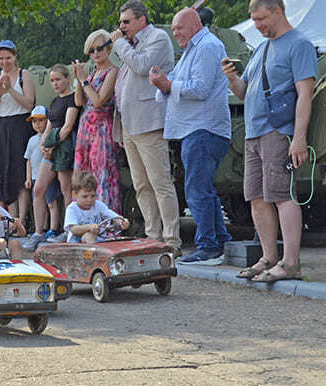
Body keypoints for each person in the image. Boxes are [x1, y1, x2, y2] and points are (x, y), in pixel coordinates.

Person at [223, 0, 315, 282]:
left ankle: (290, 263)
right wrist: (231, 78)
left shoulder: (299, 45)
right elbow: (244, 91)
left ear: (278, 11)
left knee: (282, 196)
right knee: (256, 198)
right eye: (255, 20)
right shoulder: (261, 47)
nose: (259, 25)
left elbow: (305, 94)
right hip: (253, 133)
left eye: (262, 19)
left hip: (279, 132)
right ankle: (268, 257)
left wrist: (298, 138)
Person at [150, 8, 232, 265]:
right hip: (193, 129)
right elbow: (171, 83)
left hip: (203, 129)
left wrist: (167, 85)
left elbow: (200, 88)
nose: (175, 34)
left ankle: (208, 247)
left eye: (179, 29)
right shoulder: (191, 51)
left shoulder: (207, 47)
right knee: (202, 188)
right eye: (173, 30)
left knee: (197, 190)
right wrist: (163, 83)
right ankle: (220, 241)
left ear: (195, 24)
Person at [111, 0, 181, 251]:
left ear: (142, 19)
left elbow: (142, 66)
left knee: (160, 182)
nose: (121, 27)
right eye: (120, 22)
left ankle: (172, 239)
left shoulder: (158, 38)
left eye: (126, 22)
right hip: (130, 124)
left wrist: (119, 43)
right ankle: (153, 236)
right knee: (141, 184)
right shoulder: (130, 44)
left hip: (149, 122)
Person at [0, 40, 36, 216]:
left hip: (20, 124)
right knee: (3, 171)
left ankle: (22, 218)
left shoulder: (24, 75)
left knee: (19, 172)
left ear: (14, 57)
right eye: (1, 58)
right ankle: (11, 219)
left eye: (8, 58)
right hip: (2, 126)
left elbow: (29, 104)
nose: (4, 62)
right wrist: (0, 93)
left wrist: (11, 91)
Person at [73, 30, 121, 214]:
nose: (95, 53)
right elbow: (79, 102)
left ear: (108, 47)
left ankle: (106, 221)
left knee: (102, 173)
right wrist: (79, 80)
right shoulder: (92, 73)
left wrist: (84, 81)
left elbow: (99, 100)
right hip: (86, 126)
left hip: (102, 126)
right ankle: (83, 218)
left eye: (99, 48)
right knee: (83, 173)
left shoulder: (112, 71)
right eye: (91, 50)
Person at [38, 64, 80, 244]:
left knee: (66, 191)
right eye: (52, 81)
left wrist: (52, 146)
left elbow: (68, 126)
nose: (55, 84)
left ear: (67, 78)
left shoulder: (72, 99)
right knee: (39, 188)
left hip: (64, 148)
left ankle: (67, 231)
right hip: (50, 149)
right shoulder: (55, 101)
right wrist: (42, 145)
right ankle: (38, 232)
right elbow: (49, 126)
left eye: (58, 79)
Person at [21, 105, 59, 251]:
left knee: (51, 202)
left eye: (41, 120)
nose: (37, 124)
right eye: (34, 121)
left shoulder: (51, 138)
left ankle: (53, 228)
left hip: (48, 176)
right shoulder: (31, 140)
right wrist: (28, 177)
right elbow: (28, 160)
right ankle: (40, 229)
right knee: (38, 201)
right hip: (36, 176)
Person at [66, 170, 131, 244]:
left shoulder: (98, 205)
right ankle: (93, 254)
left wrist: (122, 221)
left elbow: (112, 215)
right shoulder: (72, 209)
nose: (89, 200)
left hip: (101, 243)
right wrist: (89, 227)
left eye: (93, 196)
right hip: (78, 246)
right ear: (74, 194)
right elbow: (73, 229)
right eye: (85, 196)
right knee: (89, 236)